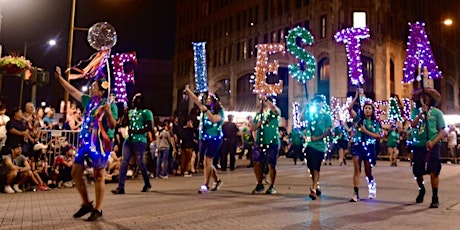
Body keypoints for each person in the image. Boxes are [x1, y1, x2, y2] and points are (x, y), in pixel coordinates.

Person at [55, 66, 117, 221]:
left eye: (94, 87)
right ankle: (86, 204)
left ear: (102, 90)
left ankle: (98, 209)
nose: (91, 89)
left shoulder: (109, 104)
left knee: (98, 174)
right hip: (85, 142)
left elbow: (112, 125)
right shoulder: (88, 101)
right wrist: (60, 78)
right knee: (75, 172)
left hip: (100, 144)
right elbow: (72, 91)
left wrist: (108, 112)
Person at [410, 87, 446, 208]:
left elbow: (442, 131)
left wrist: (433, 142)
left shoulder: (437, 113)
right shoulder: (415, 111)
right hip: (418, 145)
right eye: (422, 97)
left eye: (427, 97)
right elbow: (412, 125)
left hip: (433, 146)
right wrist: (421, 114)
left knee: (434, 171)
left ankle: (435, 197)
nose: (424, 99)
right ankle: (422, 189)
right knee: (417, 172)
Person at [184, 85, 224, 194]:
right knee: (207, 162)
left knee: (208, 160)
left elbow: (214, 119)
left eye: (210, 99)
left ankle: (205, 185)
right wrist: (188, 91)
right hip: (203, 137)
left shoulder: (220, 111)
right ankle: (217, 180)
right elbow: (196, 100)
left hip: (215, 137)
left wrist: (205, 110)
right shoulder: (204, 108)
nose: (207, 100)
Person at [112, 93, 153, 194]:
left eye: (137, 99)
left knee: (140, 162)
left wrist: (136, 131)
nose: (134, 101)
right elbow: (123, 123)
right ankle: (121, 187)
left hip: (140, 140)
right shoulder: (130, 112)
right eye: (133, 99)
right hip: (128, 140)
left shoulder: (147, 112)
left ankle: (147, 183)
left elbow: (149, 127)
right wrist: (125, 115)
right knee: (124, 161)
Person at [348, 89, 382, 202]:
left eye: (369, 108)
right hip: (358, 145)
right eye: (366, 108)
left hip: (369, 147)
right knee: (357, 169)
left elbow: (377, 136)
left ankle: (372, 188)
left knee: (368, 171)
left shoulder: (376, 123)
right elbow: (349, 109)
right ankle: (355, 193)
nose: (367, 110)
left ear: (372, 110)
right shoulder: (359, 119)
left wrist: (365, 131)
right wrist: (356, 96)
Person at [304, 95, 333, 200]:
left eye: (319, 102)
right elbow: (303, 120)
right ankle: (316, 185)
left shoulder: (326, 116)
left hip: (320, 146)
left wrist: (317, 138)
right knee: (310, 167)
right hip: (309, 145)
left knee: (316, 167)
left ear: (322, 103)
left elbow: (328, 131)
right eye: (315, 102)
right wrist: (305, 107)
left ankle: (314, 189)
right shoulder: (311, 115)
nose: (317, 103)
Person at [250, 96, 280, 194]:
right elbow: (252, 128)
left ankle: (272, 185)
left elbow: (275, 109)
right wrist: (258, 125)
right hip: (260, 142)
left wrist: (266, 100)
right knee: (257, 163)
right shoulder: (259, 115)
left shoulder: (274, 113)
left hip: (272, 142)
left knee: (272, 164)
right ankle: (259, 184)